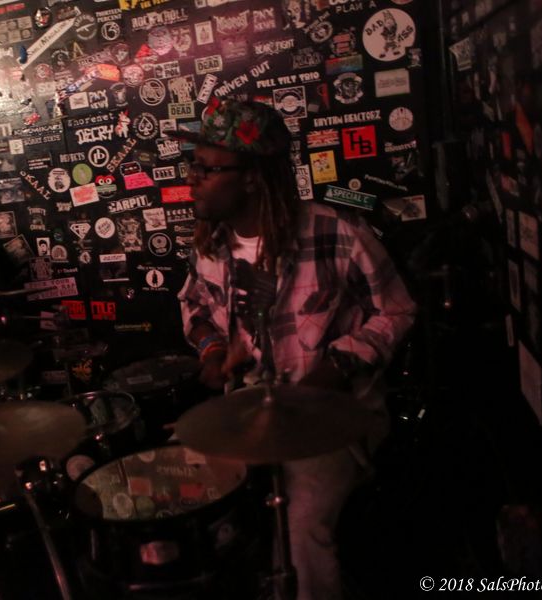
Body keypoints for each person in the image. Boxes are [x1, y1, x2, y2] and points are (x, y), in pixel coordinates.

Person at [173, 98, 416, 600]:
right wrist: (213, 351)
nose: (192, 179)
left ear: (252, 178)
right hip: (251, 410)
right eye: (193, 165)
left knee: (302, 525)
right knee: (190, 498)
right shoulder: (211, 245)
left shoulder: (337, 232)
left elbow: (397, 311)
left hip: (335, 417)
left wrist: (338, 364)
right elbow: (195, 307)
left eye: (207, 169)